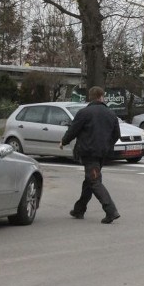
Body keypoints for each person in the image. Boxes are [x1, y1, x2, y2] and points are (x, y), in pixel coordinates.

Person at [60, 86, 122, 224]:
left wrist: (63, 141)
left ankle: (111, 211)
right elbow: (117, 135)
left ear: (90, 97)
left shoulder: (84, 112)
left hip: (89, 152)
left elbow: (73, 130)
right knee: (90, 180)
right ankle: (79, 209)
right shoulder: (111, 114)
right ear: (102, 97)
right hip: (103, 153)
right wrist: (107, 145)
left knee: (94, 181)